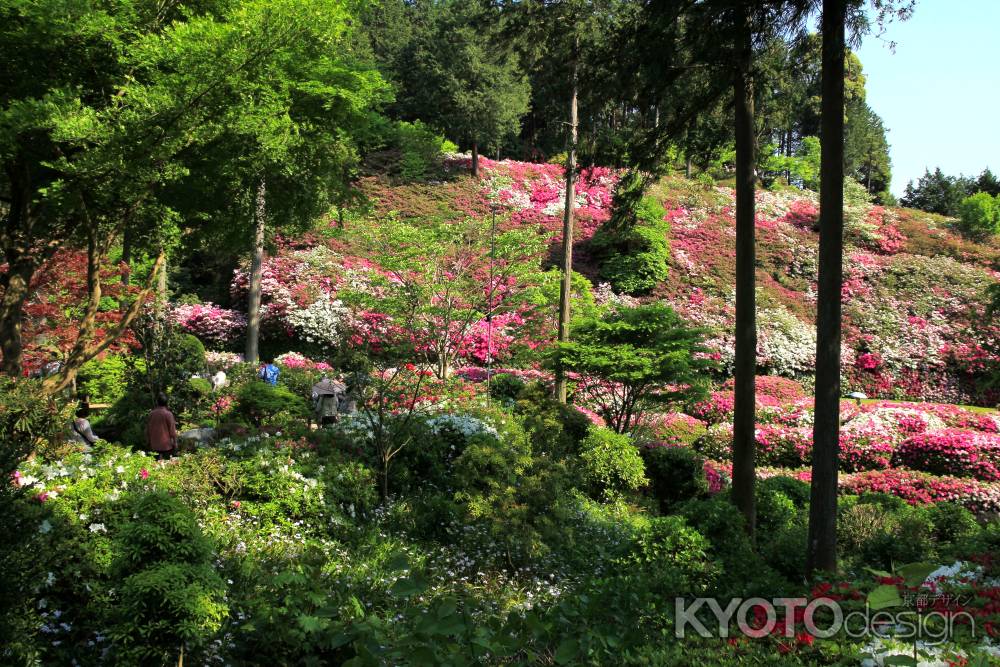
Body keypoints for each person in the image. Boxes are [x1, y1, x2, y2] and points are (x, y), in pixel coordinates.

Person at [146, 392, 178, 461]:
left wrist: (148, 442)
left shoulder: (151, 414)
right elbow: (172, 431)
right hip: (166, 446)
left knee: (155, 466)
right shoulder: (168, 414)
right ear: (166, 403)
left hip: (154, 445)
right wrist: (175, 443)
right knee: (166, 466)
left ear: (157, 402)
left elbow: (148, 430)